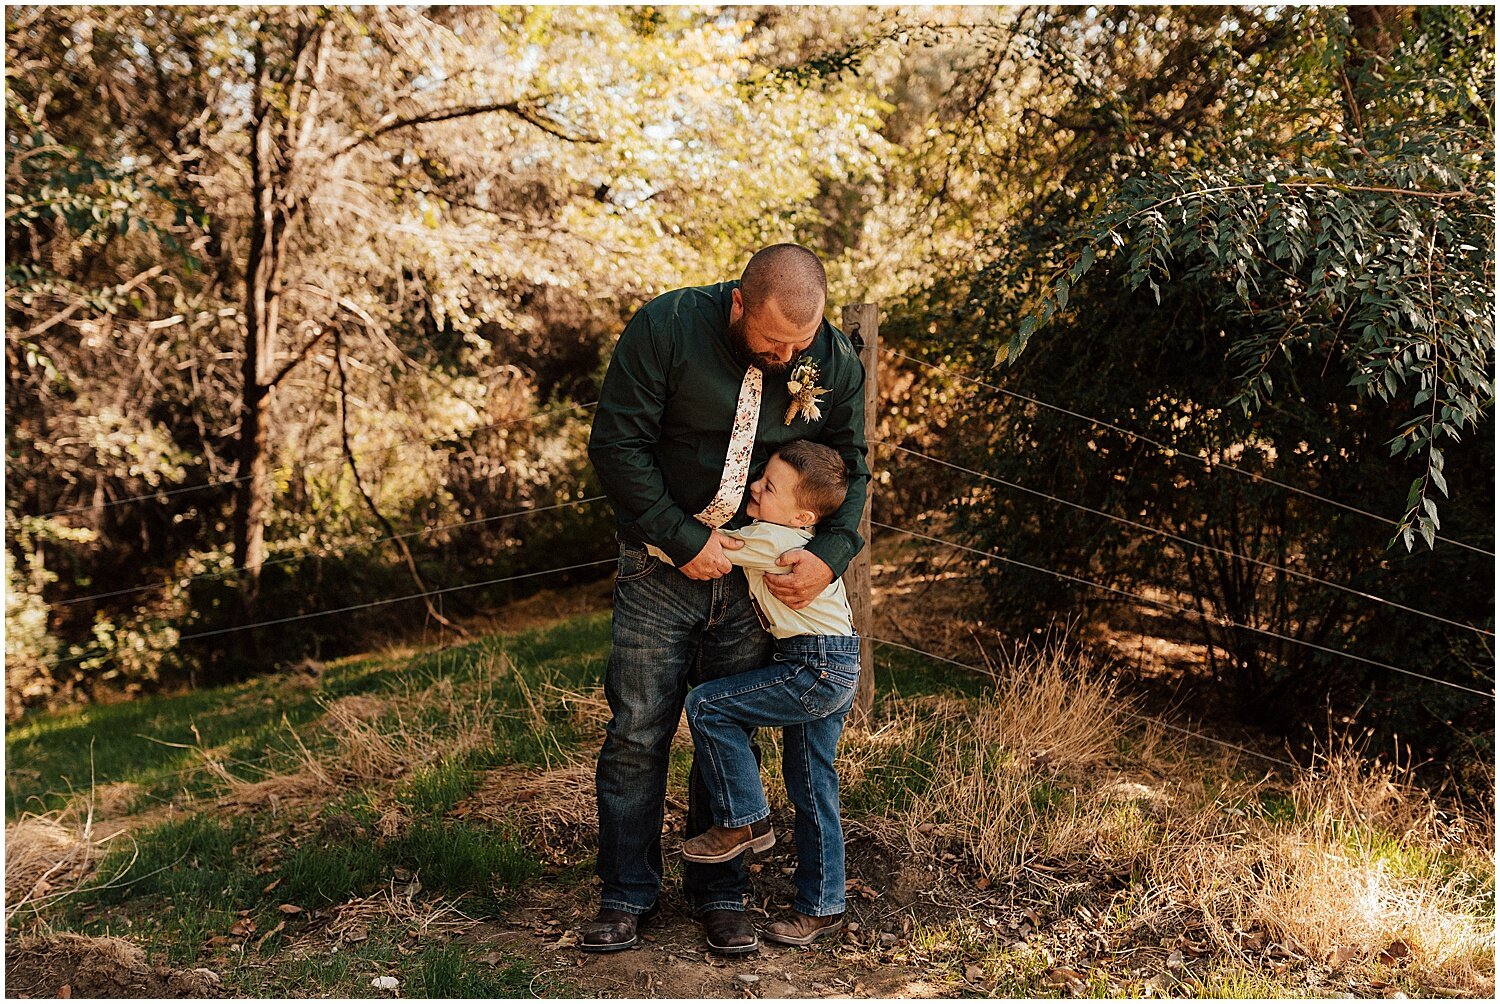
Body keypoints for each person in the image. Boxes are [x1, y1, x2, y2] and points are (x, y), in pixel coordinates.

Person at [584, 244, 868, 955]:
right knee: (638, 734)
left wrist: (828, 561)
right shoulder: (667, 327)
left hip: (755, 587)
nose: (787, 355)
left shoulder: (829, 358)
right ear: (739, 304)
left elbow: (852, 471)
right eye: (774, 341)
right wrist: (683, 540)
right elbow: (618, 446)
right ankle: (626, 895)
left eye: (799, 344)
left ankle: (720, 894)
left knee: (725, 729)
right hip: (658, 570)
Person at [677, 440, 858, 947]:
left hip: (814, 666)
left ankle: (744, 821)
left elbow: (711, 547)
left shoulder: (773, 539)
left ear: (802, 516)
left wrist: (654, 537)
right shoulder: (801, 537)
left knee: (706, 705)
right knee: (812, 785)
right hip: (836, 658)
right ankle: (822, 906)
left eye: (769, 486)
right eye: (760, 476)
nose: (754, 486)